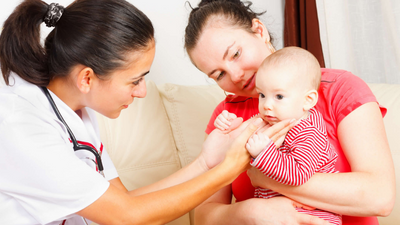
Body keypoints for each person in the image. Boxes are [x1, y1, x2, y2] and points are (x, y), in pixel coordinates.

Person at [0, 0, 299, 224]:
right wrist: (228, 168)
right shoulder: (21, 125)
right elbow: (125, 216)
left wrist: (205, 162)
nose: (142, 91)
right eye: (135, 80)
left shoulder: (77, 111)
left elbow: (124, 201)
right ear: (87, 79)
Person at [184, 0, 396, 224]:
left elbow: (380, 196)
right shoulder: (228, 117)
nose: (235, 75)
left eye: (235, 54)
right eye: (219, 75)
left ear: (260, 31)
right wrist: (252, 212)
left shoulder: (339, 89)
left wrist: (266, 178)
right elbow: (203, 216)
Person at [214, 47, 341, 225]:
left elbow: (298, 174)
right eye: (262, 95)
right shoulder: (274, 120)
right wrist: (231, 126)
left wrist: (264, 152)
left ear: (308, 100)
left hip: (313, 217)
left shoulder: (309, 133)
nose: (266, 105)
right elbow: (246, 134)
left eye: (279, 96)